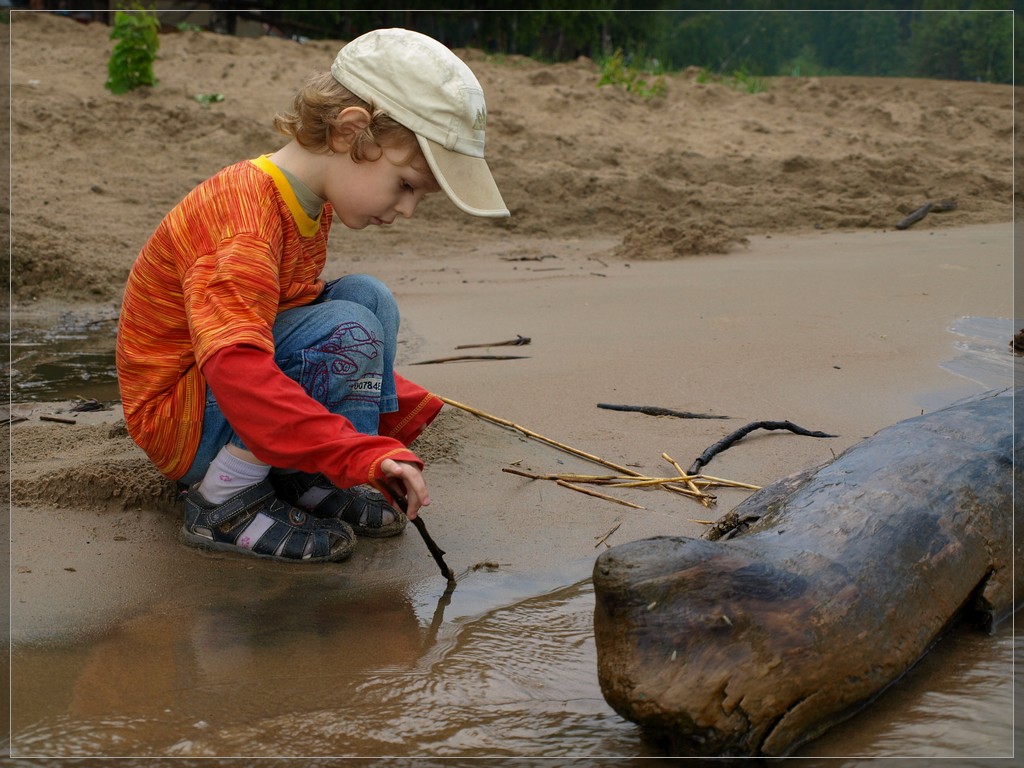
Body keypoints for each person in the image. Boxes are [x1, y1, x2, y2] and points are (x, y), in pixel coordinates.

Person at [115, 28, 509, 563]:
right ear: (351, 132)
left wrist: (376, 426)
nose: (408, 211)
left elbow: (291, 320)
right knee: (348, 324)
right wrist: (359, 452)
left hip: (223, 401)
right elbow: (236, 363)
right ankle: (222, 497)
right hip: (183, 421)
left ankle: (302, 476)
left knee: (368, 299)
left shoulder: (308, 205)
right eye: (408, 185)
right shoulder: (244, 217)